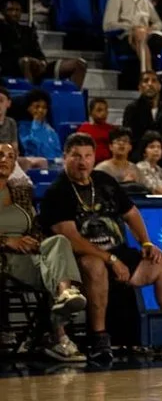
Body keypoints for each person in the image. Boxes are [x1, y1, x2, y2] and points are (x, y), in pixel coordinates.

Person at [39, 132, 162, 363]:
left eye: (88, 156)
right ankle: (98, 338)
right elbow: (70, 238)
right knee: (94, 265)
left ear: (94, 157)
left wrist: (146, 242)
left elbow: (131, 213)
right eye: (76, 156)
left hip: (116, 252)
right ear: (65, 157)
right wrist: (110, 259)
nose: (83, 162)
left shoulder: (104, 181)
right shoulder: (57, 191)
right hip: (78, 260)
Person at [0, 142, 87, 364]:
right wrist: (7, 241)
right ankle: (59, 336)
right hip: (4, 260)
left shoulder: (19, 193)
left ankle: (66, 295)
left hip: (28, 257)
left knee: (57, 243)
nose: (5, 159)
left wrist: (34, 241)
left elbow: (35, 227)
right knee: (55, 271)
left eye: (11, 156)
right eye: (0, 155)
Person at [1, 0, 86, 86]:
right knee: (26, 61)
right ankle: (33, 96)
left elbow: (37, 50)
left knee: (79, 64)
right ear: (3, 12)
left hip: (35, 66)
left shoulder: (27, 30)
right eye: (10, 10)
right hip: (13, 68)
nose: (14, 13)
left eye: (17, 10)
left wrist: (42, 61)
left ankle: (73, 97)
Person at [103, 0, 162, 69]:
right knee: (139, 33)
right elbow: (108, 25)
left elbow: (159, 23)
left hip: (147, 35)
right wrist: (131, 27)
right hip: (125, 37)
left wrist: (151, 28)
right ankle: (147, 74)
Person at [123, 71, 162, 154]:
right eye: (146, 81)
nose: (150, 84)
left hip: (160, 156)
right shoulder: (132, 109)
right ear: (140, 87)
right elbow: (128, 137)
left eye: (154, 81)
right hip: (138, 155)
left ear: (159, 86)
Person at [18, 90, 61, 168]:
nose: (40, 110)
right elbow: (30, 146)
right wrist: (36, 124)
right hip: (33, 166)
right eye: (37, 107)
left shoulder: (51, 130)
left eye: (44, 107)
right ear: (28, 108)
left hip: (53, 166)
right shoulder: (21, 127)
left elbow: (58, 152)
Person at [78, 98, 115, 164]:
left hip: (109, 165)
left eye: (105, 110)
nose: (103, 113)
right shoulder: (84, 129)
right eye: (99, 110)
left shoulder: (112, 129)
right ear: (91, 112)